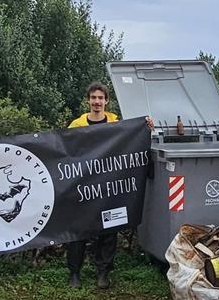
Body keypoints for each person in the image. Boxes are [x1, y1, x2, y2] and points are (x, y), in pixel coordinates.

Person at [65, 82, 153, 289]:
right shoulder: (76, 126)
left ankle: (103, 273)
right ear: (88, 100)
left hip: (109, 188)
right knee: (78, 231)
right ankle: (74, 273)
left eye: (100, 98)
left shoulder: (117, 124)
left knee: (109, 229)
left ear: (106, 101)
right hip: (84, 187)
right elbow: (65, 151)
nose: (97, 102)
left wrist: (146, 127)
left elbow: (132, 140)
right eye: (93, 98)